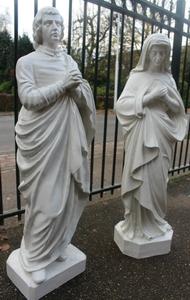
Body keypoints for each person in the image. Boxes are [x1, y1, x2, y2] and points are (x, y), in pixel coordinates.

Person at [15, 7, 95, 284]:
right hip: (41, 139)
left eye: (58, 23)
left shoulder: (69, 61)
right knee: (45, 201)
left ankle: (57, 245)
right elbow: (28, 98)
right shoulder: (27, 62)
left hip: (67, 135)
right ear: (38, 28)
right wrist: (63, 86)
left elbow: (84, 98)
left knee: (67, 194)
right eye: (48, 22)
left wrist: (76, 89)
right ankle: (35, 255)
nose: (55, 27)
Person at [115, 33, 187, 242]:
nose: (158, 57)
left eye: (162, 53)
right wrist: (150, 98)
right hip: (141, 134)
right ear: (147, 54)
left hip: (162, 134)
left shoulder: (168, 79)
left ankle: (154, 221)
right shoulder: (136, 77)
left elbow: (177, 110)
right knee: (139, 178)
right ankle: (136, 225)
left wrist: (166, 98)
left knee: (157, 179)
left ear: (166, 56)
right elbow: (121, 105)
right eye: (155, 52)